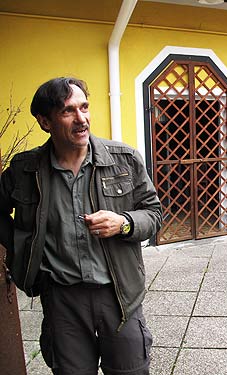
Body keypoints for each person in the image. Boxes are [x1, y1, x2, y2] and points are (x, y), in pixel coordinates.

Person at [0, 77, 162, 374]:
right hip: (62, 299)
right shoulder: (24, 170)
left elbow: (153, 213)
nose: (81, 119)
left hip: (118, 296)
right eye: (67, 111)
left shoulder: (123, 159)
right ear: (45, 121)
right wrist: (20, 249)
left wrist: (124, 222)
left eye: (84, 107)